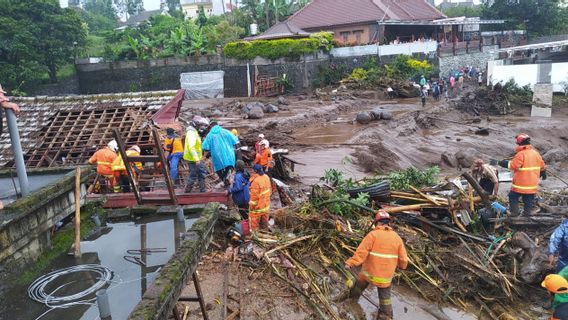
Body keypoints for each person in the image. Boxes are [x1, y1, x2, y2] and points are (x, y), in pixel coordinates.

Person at [344, 210, 408, 320]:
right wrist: (402, 266)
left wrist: (350, 263)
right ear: (388, 223)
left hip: (368, 274)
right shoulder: (397, 238)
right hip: (385, 278)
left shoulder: (373, 235)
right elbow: (403, 259)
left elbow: (361, 253)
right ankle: (386, 315)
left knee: (357, 288)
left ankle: (352, 299)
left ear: (377, 222)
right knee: (385, 300)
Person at [498, 134, 546, 216]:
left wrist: (502, 163)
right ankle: (527, 214)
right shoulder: (536, 153)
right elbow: (542, 165)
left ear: (519, 143)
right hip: (531, 185)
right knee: (528, 199)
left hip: (520, 185)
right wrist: (543, 172)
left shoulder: (521, 154)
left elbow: (513, 165)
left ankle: (514, 213)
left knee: (513, 196)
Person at [183, 122, 206, 193]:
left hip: (197, 158)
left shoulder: (194, 132)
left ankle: (203, 189)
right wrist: (196, 159)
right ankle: (187, 191)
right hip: (193, 159)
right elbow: (191, 147)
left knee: (201, 173)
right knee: (193, 174)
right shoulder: (191, 133)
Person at [249, 164, 272, 231]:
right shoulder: (266, 177)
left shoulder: (255, 181)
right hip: (266, 206)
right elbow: (269, 191)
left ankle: (255, 237)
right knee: (264, 224)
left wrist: (251, 206)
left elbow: (254, 197)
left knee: (254, 226)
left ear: (255, 171)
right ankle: (265, 234)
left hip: (257, 208)